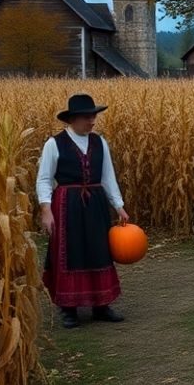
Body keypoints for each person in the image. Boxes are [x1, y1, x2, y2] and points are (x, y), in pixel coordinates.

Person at [38, 93, 129, 329]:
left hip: (96, 203)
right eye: (88, 117)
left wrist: (118, 206)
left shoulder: (100, 142)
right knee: (71, 252)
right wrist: (46, 210)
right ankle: (68, 309)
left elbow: (108, 176)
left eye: (94, 116)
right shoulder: (54, 144)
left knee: (99, 250)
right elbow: (44, 179)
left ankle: (101, 305)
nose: (92, 121)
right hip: (67, 204)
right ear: (73, 119)